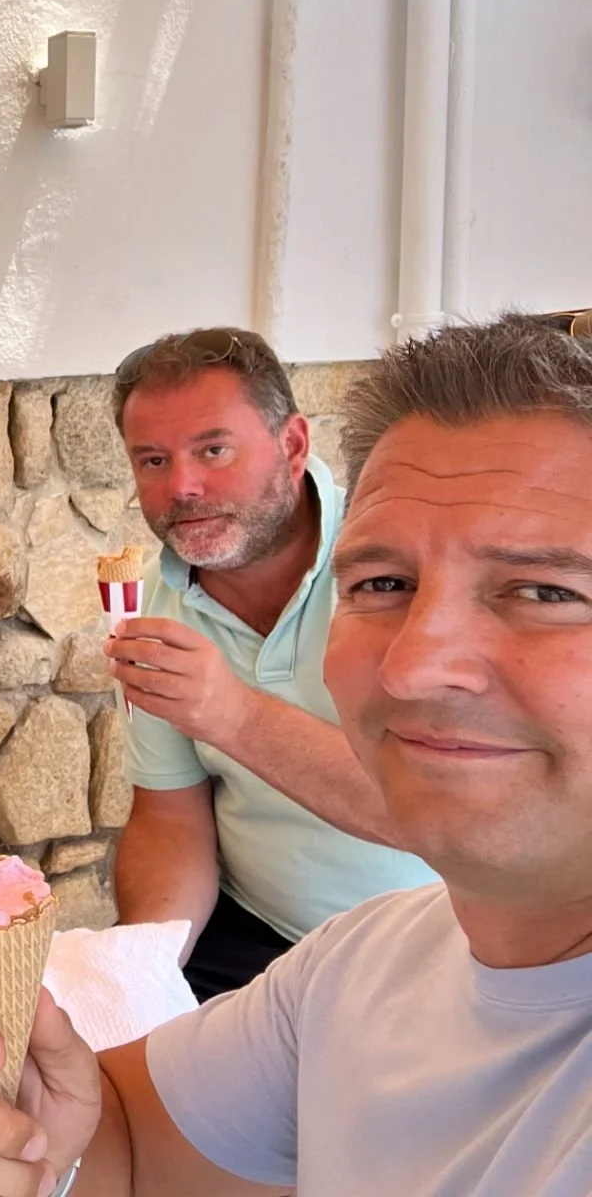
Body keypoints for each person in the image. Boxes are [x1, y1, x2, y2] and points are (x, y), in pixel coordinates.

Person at [0, 314, 592, 1196]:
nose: (417, 664)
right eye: (384, 586)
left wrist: (230, 710)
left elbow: (421, 804)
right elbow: (119, 1138)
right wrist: (126, 991)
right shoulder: (349, 977)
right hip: (278, 945)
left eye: (545, 591)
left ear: (294, 444)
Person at [103, 328, 433, 999]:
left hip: (438, 949)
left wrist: (231, 713)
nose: (183, 487)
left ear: (292, 446)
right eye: (153, 461)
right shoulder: (158, 605)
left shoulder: (402, 568)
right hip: (253, 937)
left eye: (213, 450)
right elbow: (171, 818)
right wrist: (136, 977)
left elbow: (438, 812)